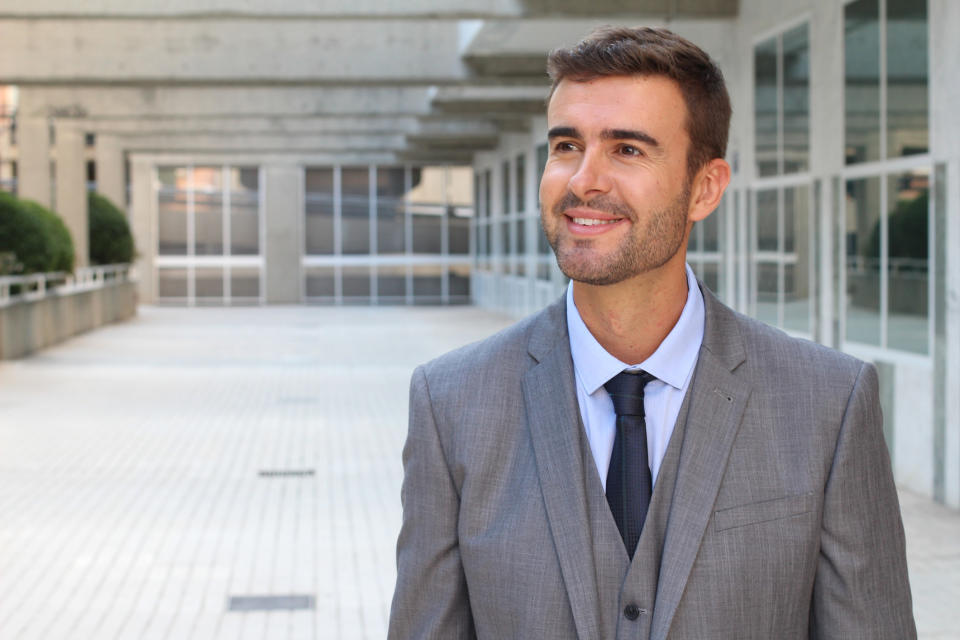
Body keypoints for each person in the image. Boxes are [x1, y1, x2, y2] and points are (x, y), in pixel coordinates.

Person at [388, 26, 916, 639]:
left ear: (705, 188)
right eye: (566, 145)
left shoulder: (829, 404)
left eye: (628, 150)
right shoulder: (450, 402)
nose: (584, 180)